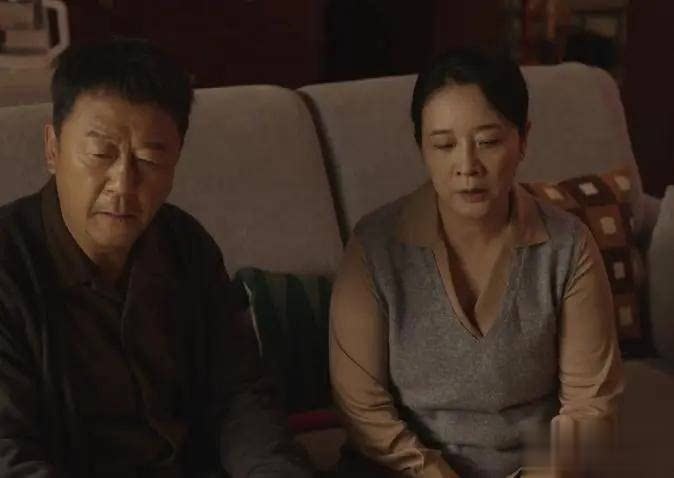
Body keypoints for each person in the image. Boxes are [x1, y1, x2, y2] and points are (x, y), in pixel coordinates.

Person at [0, 38, 313, 478]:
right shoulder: (11, 265)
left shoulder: (185, 245)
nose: (123, 184)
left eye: (149, 159)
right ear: (52, 148)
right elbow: (9, 453)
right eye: (101, 154)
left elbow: (240, 395)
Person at [329, 48, 624, 477]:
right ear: (421, 146)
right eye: (444, 145)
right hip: (403, 470)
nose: (467, 167)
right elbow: (361, 406)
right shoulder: (374, 247)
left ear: (523, 140)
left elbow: (589, 406)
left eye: (488, 142)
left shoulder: (568, 246)